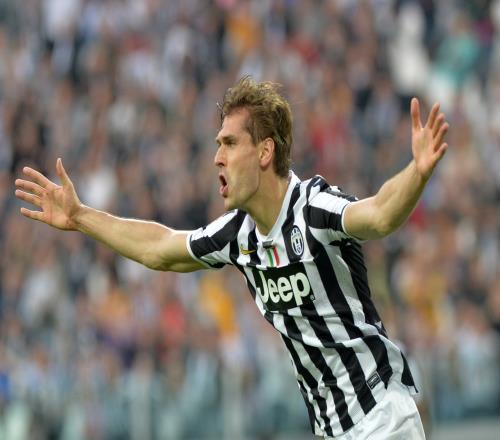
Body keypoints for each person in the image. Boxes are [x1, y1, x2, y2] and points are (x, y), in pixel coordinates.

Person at [15, 77, 449, 439]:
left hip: (381, 417)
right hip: (332, 428)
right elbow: (159, 249)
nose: (217, 157)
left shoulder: (314, 209)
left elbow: (379, 214)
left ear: (264, 152)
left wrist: (417, 171)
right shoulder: (237, 234)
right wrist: (81, 216)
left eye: (229, 143)